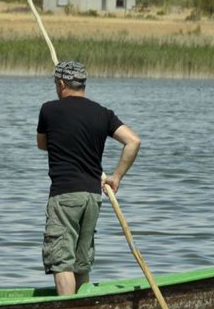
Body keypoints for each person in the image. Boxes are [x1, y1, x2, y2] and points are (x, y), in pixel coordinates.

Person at [36, 60, 141, 295]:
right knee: (81, 261)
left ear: (61, 84)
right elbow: (133, 141)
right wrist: (116, 177)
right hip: (92, 197)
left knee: (61, 261)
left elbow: (42, 144)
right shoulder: (102, 113)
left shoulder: (49, 110)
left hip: (65, 195)